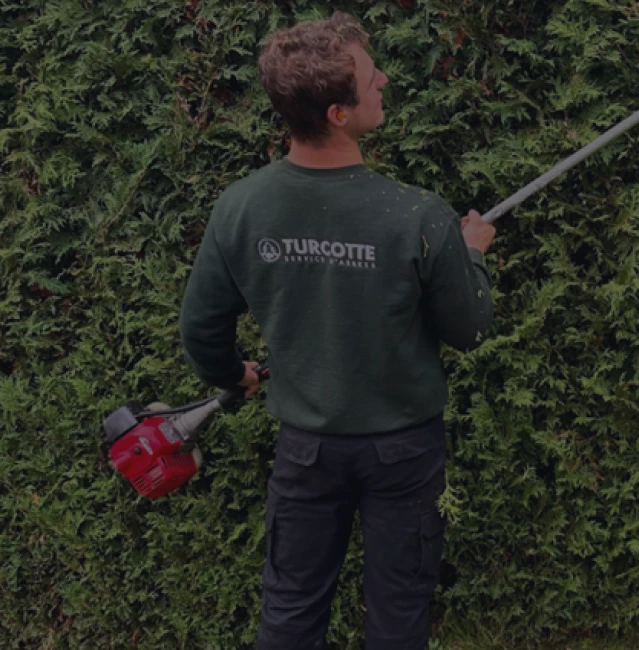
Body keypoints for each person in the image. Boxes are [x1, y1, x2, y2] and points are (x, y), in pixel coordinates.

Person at [177, 11, 496, 650]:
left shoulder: (242, 206)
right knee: (399, 617)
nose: (382, 79)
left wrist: (231, 376)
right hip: (403, 453)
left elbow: (201, 328)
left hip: (307, 452)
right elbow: (469, 329)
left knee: (291, 614)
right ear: (337, 115)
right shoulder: (419, 215)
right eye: (368, 76)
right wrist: (474, 255)